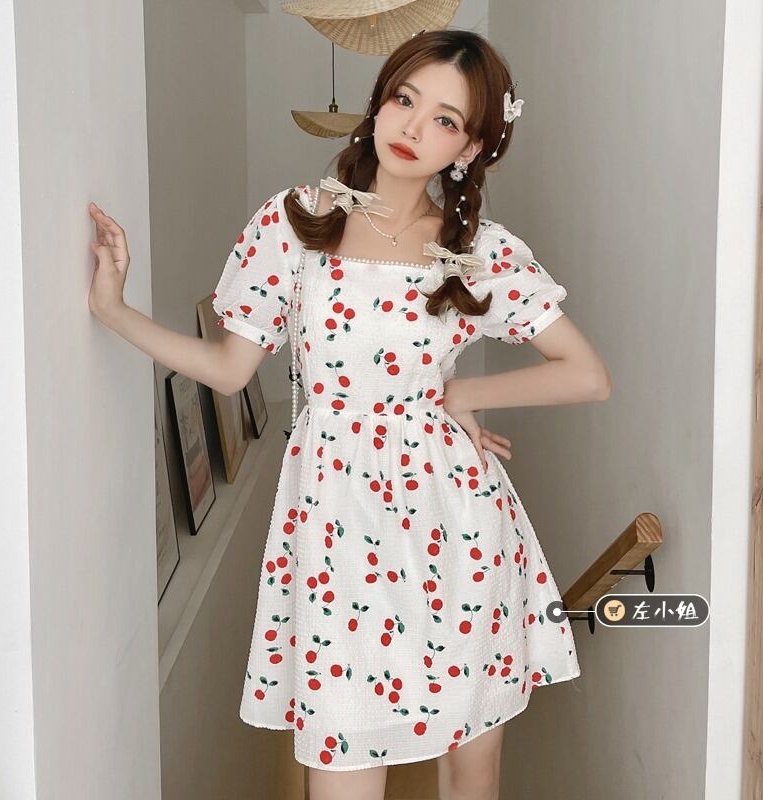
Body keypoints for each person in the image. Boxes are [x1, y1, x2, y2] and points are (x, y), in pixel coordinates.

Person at [88, 27, 610, 800]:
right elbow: (230, 369)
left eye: (444, 119)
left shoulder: (478, 250)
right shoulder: (296, 223)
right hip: (335, 527)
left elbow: (586, 375)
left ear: (469, 147)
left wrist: (457, 395)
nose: (413, 127)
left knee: (471, 768)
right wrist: (115, 310)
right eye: (405, 99)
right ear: (379, 101)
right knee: (340, 760)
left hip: (456, 527)